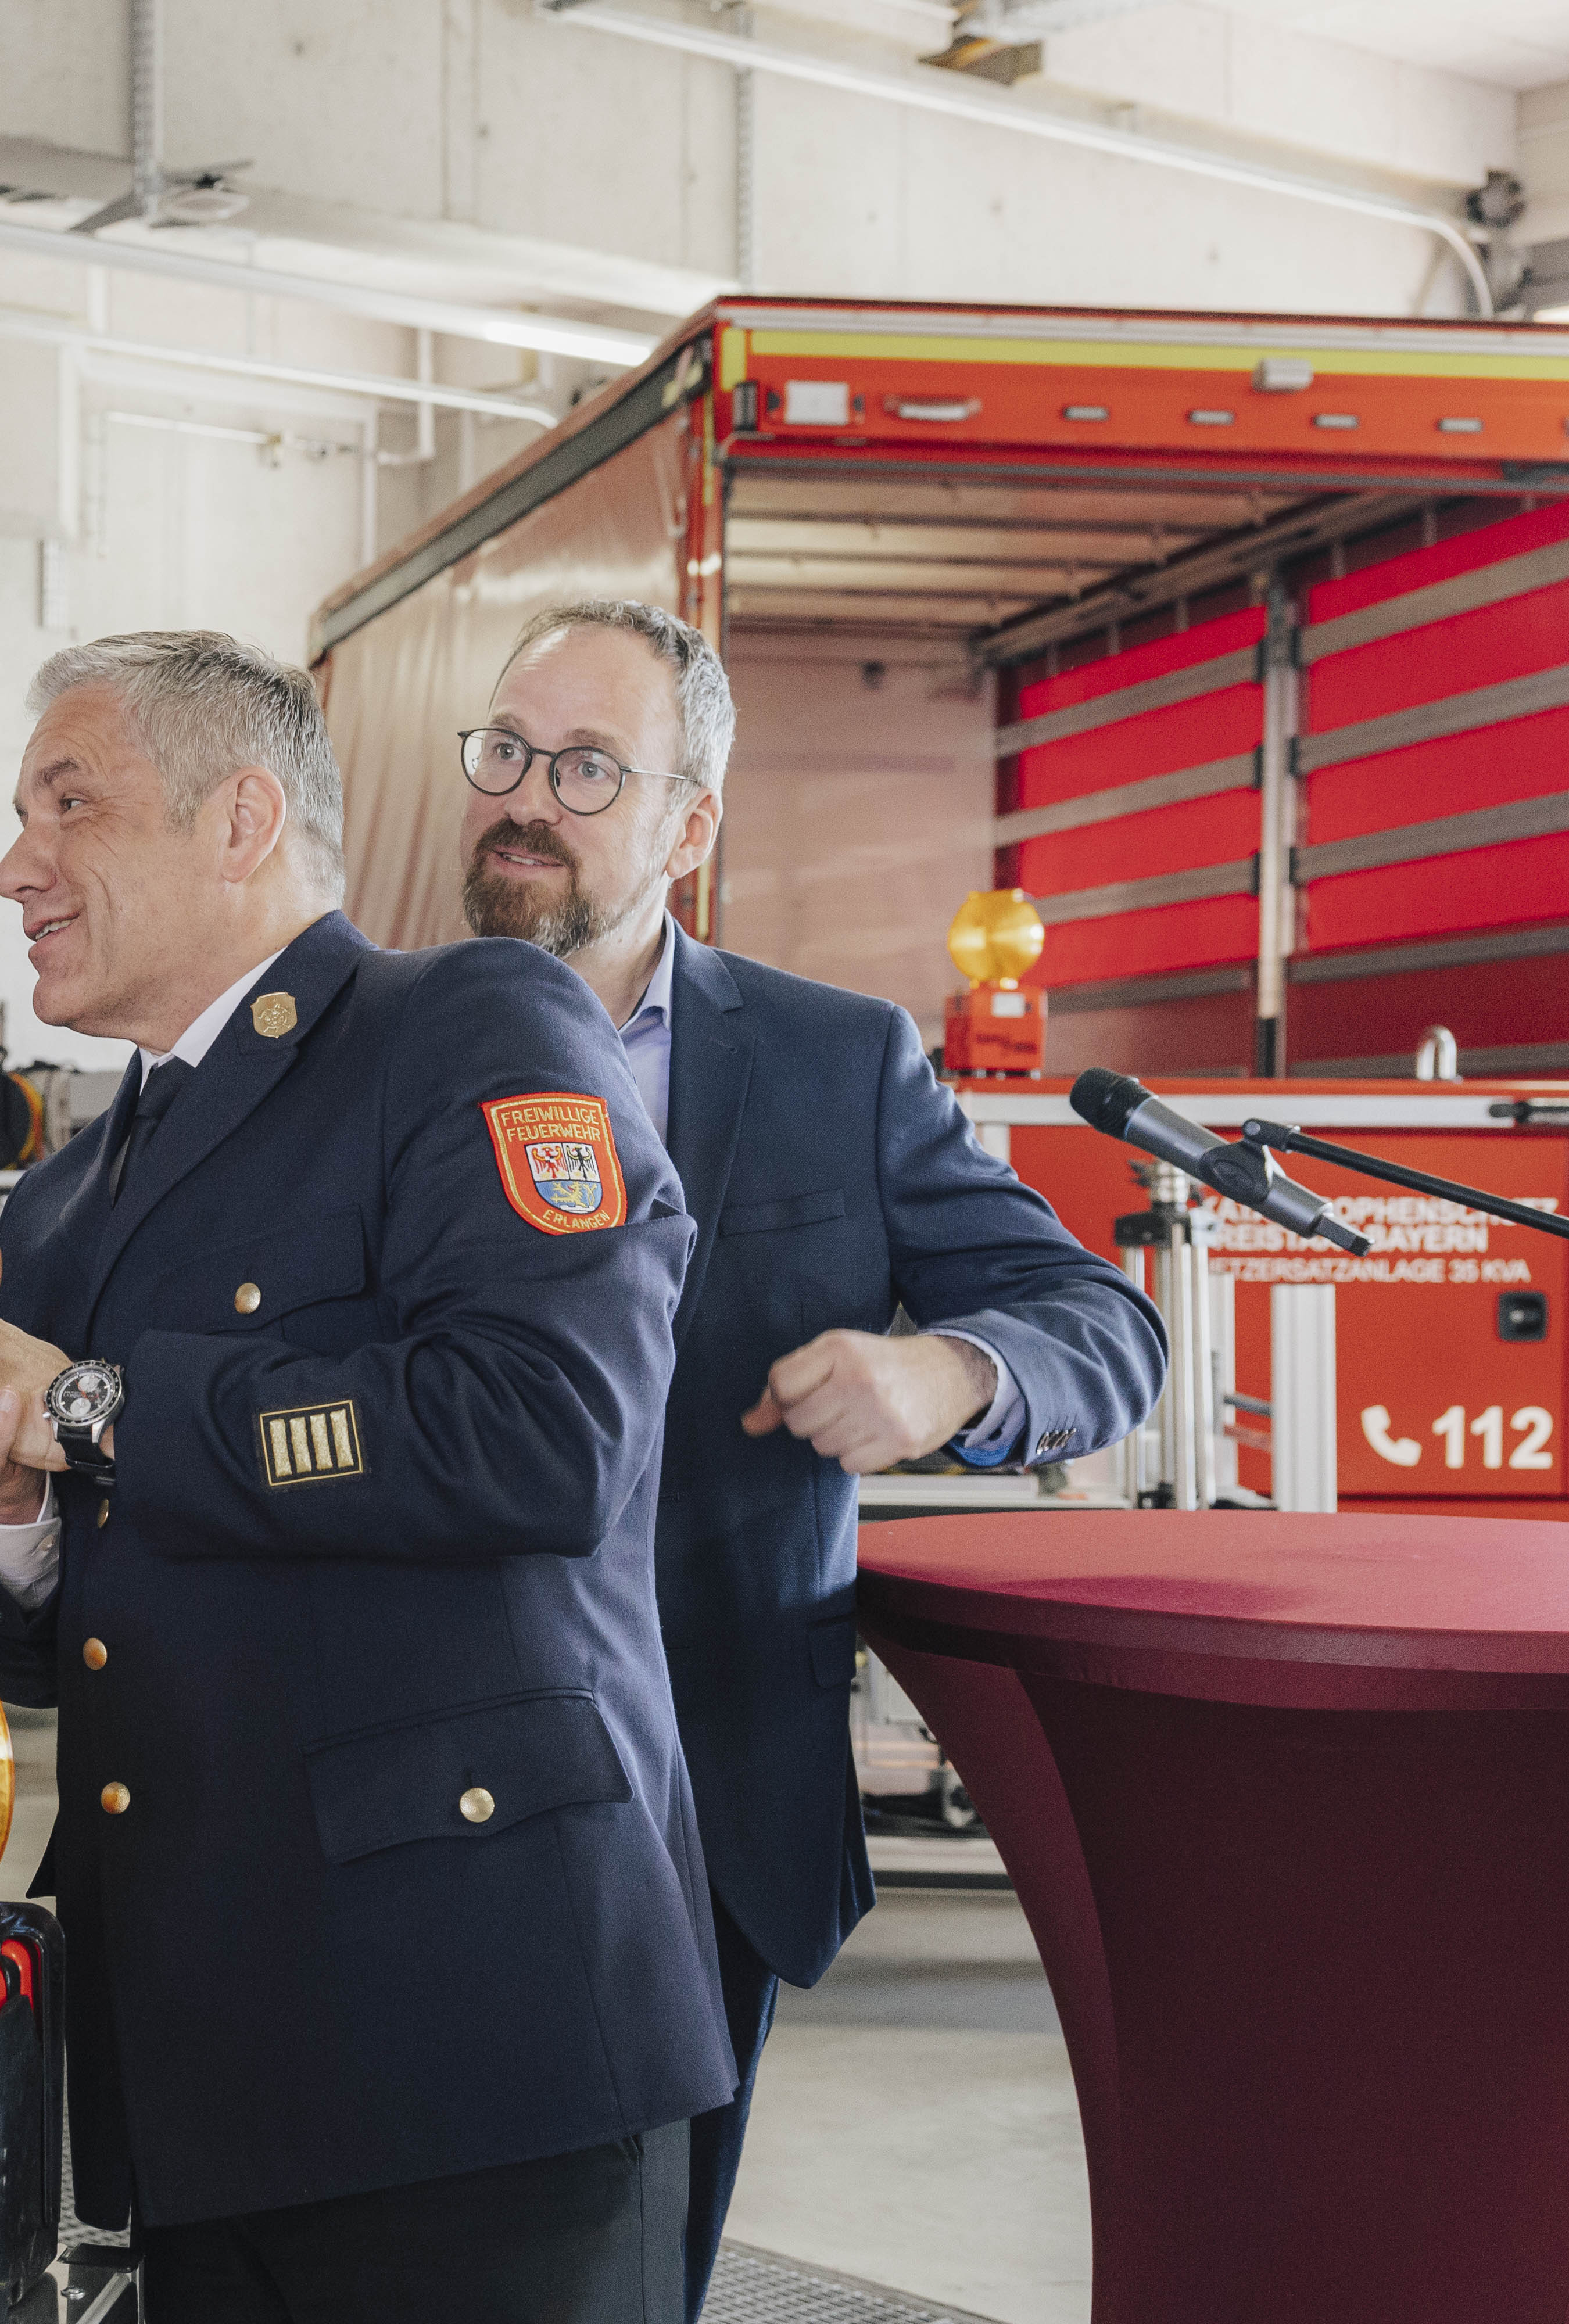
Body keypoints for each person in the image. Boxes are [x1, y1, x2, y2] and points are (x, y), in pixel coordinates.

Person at [0, 631, 729, 2324]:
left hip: (468, 2038)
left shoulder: (461, 1024)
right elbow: (69, 1619)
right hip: (200, 2062)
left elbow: (546, 1431)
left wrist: (86, 1408)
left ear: (243, 819)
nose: (16, 866)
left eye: (69, 807)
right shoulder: (75, 1198)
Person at [455, 599, 1167, 2313]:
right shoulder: (370, 1038)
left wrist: (947, 1369)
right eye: (502, 752)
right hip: (417, 1806)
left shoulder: (836, 1066)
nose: (523, 798)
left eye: (587, 767)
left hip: (700, 1816)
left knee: (648, 2279)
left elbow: (1099, 1324)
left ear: (690, 823)